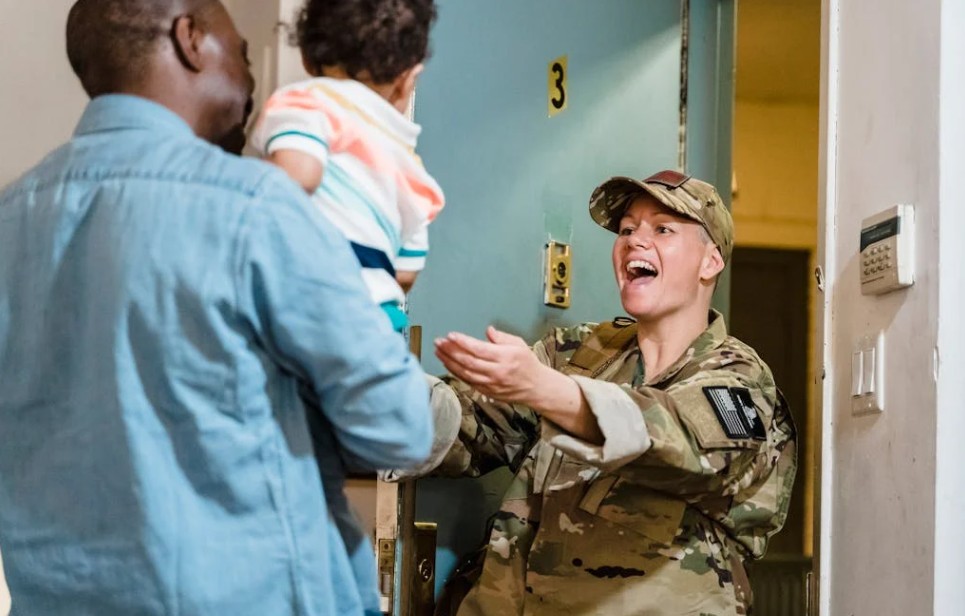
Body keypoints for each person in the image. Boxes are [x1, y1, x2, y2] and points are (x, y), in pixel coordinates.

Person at [0, 1, 432, 615]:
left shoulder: (11, 215)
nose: (255, 81)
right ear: (190, 39)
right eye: (245, 55)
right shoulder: (254, 207)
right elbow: (398, 428)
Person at [388, 170, 798, 615]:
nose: (634, 241)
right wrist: (376, 395)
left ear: (710, 262)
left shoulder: (739, 379)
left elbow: (677, 440)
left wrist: (545, 389)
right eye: (626, 229)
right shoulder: (581, 351)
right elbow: (473, 425)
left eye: (662, 228)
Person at [250, 0, 444, 333]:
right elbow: (407, 273)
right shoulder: (412, 166)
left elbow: (299, 175)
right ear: (408, 79)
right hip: (377, 321)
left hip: (307, 298)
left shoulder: (307, 101)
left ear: (308, 59)